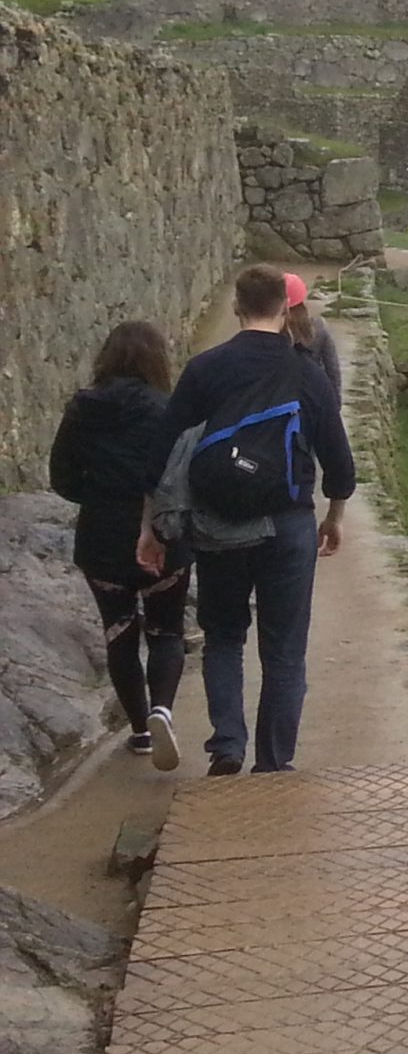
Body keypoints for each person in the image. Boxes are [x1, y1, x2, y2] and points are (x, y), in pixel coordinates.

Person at [150, 264, 357, 776]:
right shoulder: (305, 373)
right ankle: (273, 761)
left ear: (237, 306)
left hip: (219, 523)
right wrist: (333, 516)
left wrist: (148, 526)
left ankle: (227, 745)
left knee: (223, 636)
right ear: (285, 308)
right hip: (288, 523)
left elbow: (162, 455)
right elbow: (339, 462)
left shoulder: (205, 369)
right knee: (284, 650)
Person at [48, 322, 192, 770]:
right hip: (162, 536)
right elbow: (180, 475)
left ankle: (141, 731)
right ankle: (162, 709)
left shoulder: (82, 409)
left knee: (120, 633)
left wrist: (98, 495)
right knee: (167, 631)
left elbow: (62, 478)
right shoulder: (167, 410)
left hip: (103, 540)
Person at [281, 273, 341, 404]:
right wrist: (336, 402)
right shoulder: (318, 328)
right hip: (312, 395)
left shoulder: (272, 332)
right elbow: (332, 369)